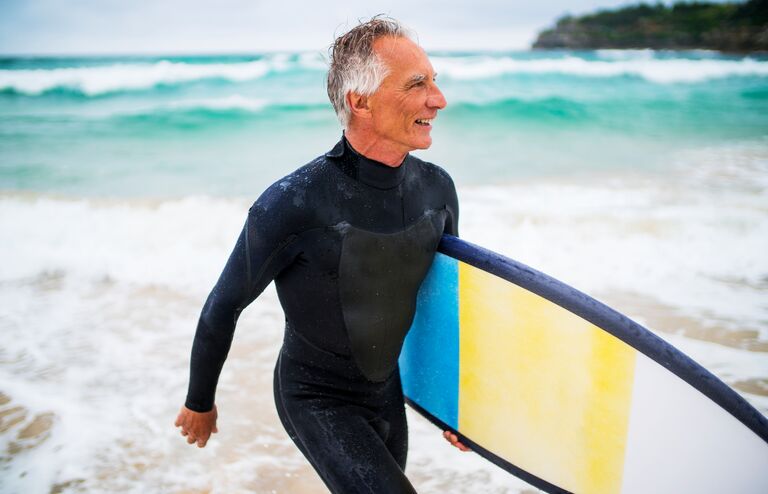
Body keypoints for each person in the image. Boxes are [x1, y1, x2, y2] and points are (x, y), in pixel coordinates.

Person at [175, 17, 468, 493]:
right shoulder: (294, 202)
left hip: (385, 390)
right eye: (418, 84)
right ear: (361, 101)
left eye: (434, 81)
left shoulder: (437, 189)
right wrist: (199, 401)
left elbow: (442, 300)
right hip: (316, 396)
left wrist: (454, 408)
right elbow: (224, 304)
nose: (438, 99)